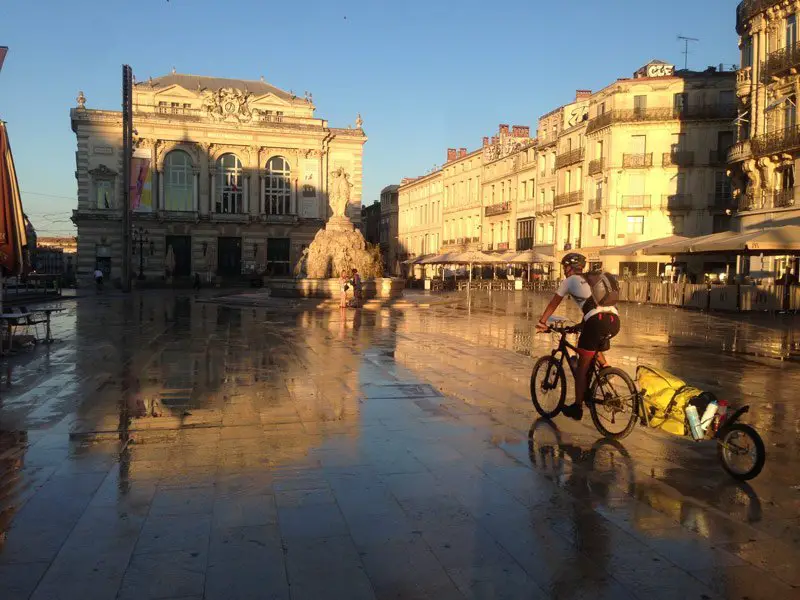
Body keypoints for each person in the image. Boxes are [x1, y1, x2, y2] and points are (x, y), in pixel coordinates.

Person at [535, 253, 620, 421]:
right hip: (614, 321)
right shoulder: (591, 279)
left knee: (582, 366)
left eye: (564, 267)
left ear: (568, 267)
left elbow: (554, 302)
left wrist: (542, 321)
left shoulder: (569, 281)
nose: (564, 270)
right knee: (591, 348)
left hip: (596, 322)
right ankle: (605, 369)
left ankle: (577, 408)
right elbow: (593, 306)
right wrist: (579, 326)